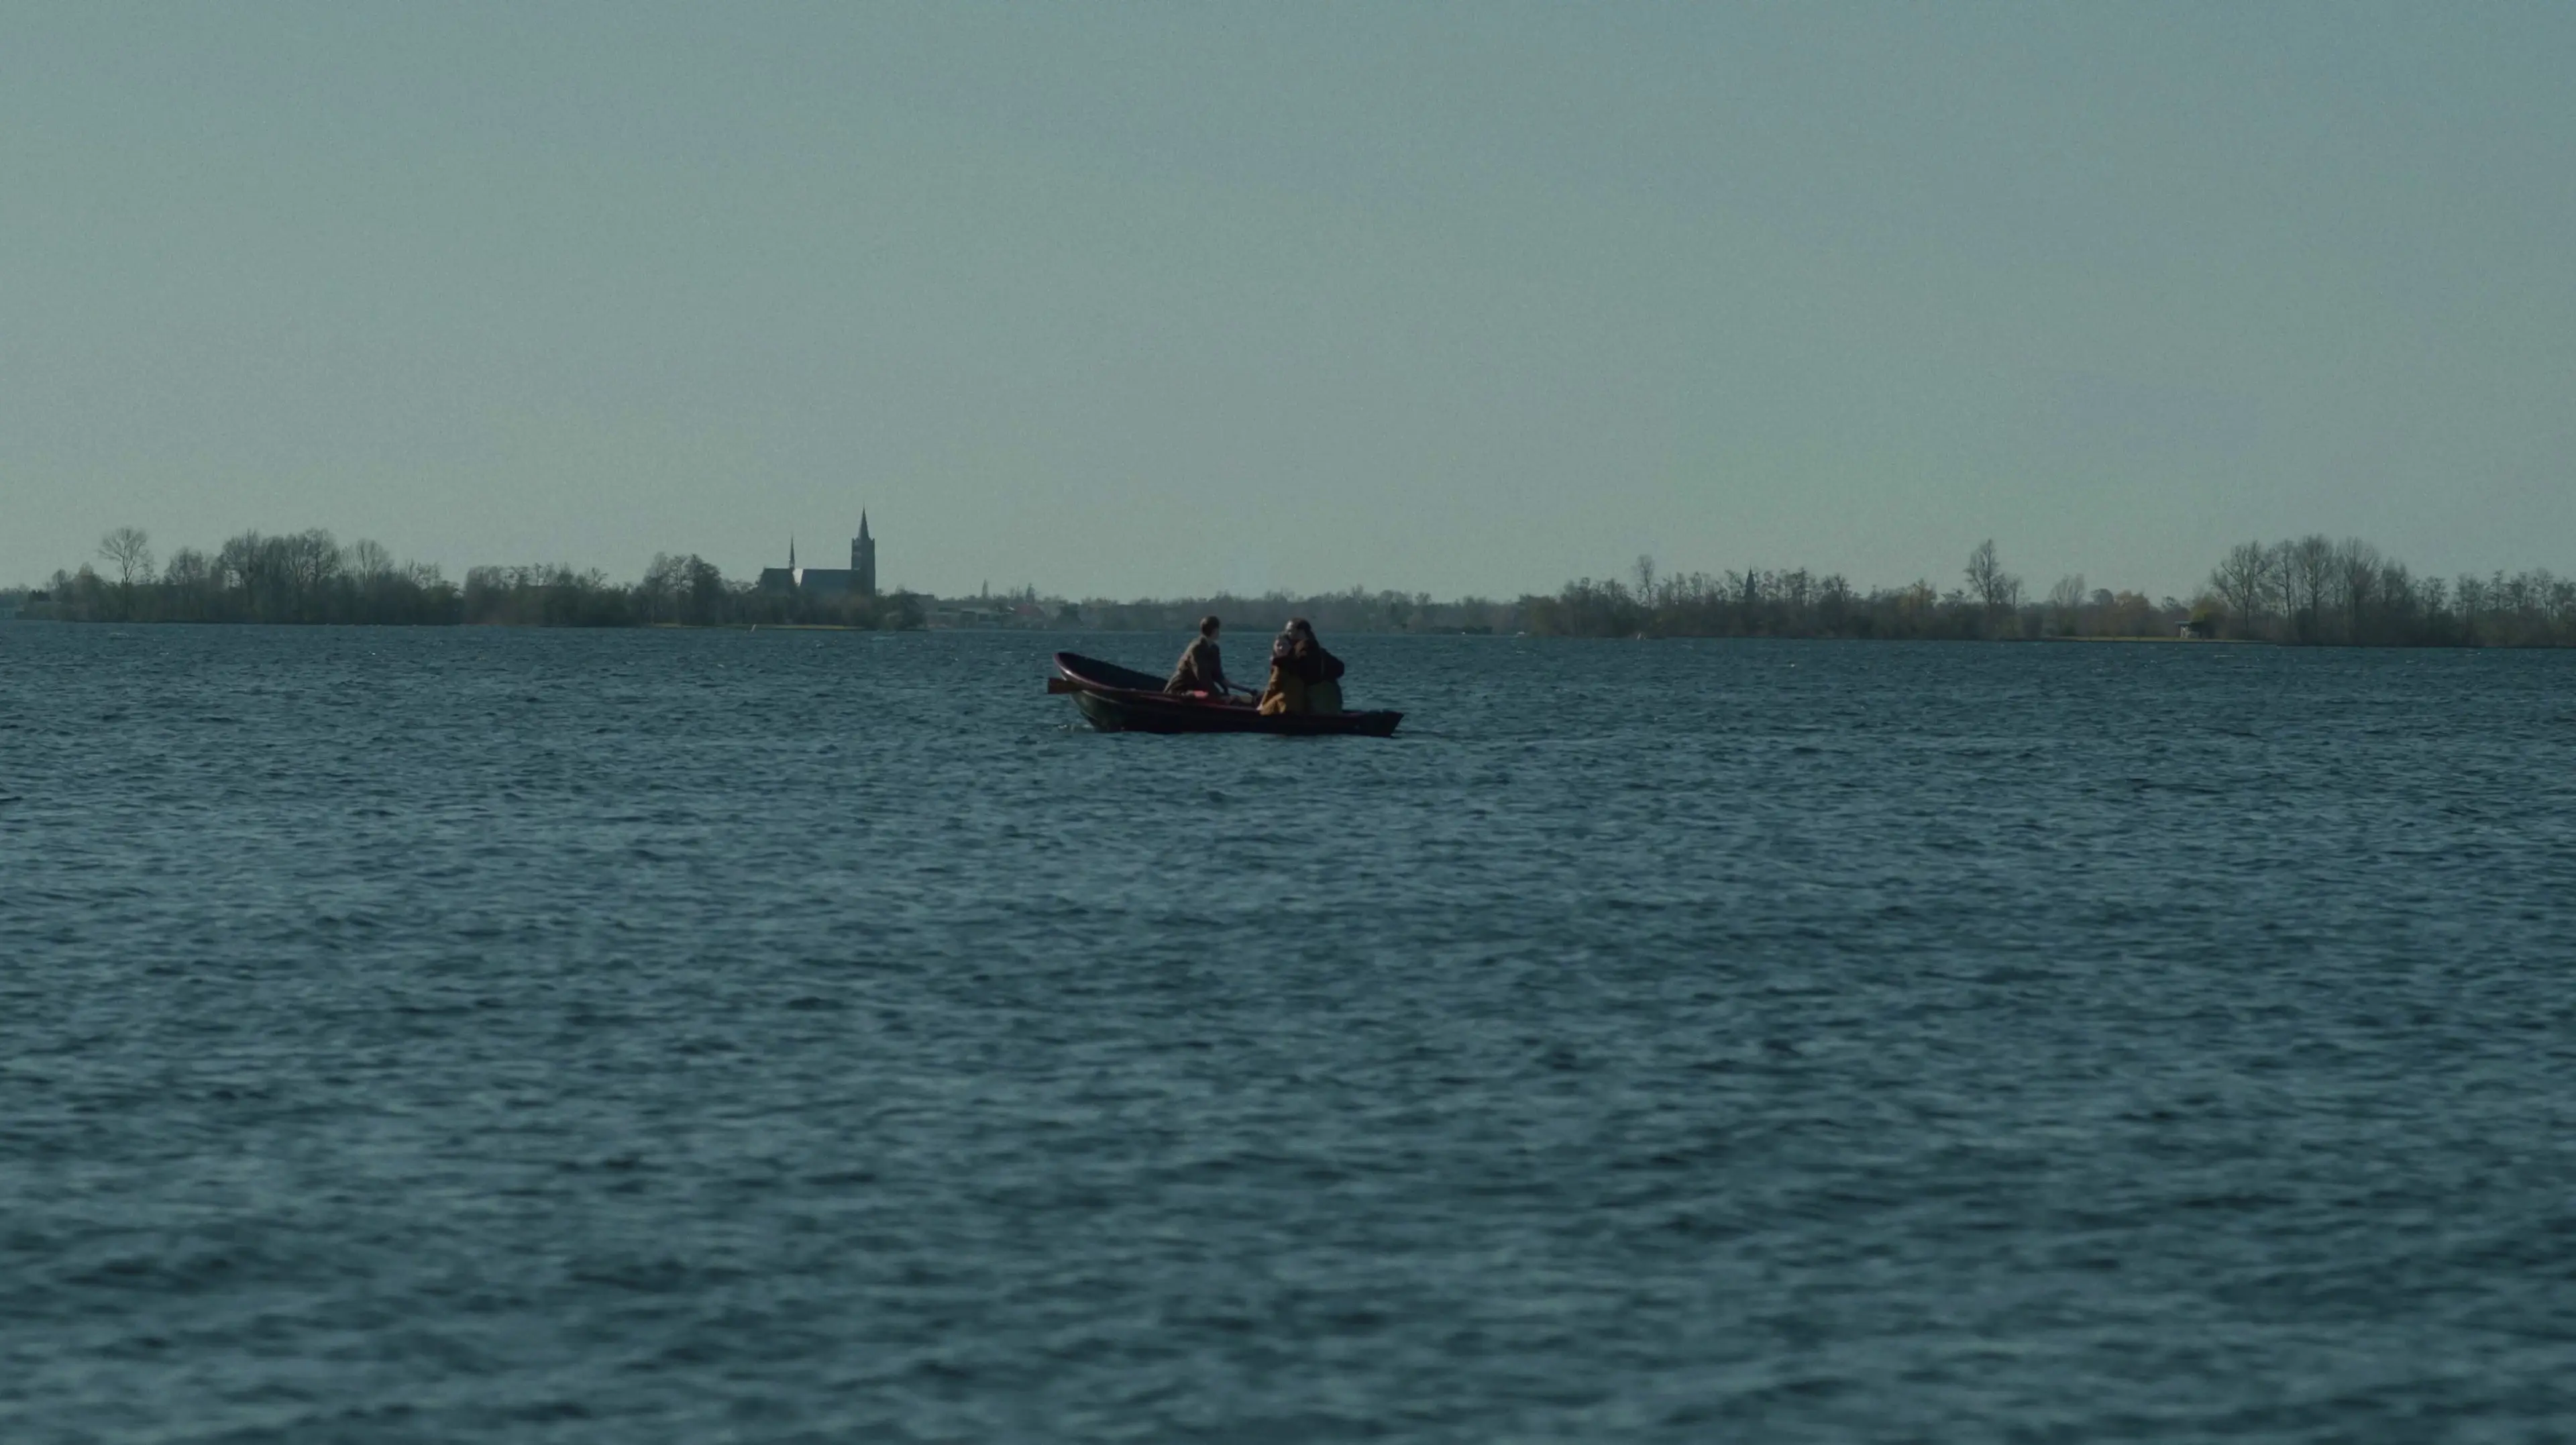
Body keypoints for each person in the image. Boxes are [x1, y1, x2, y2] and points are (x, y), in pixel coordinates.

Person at [1257, 617, 1346, 716]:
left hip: (1317, 701)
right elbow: (1340, 668)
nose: (1287, 634)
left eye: (1290, 631)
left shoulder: (1305, 645)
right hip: (1331, 699)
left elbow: (1302, 665)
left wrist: (1278, 661)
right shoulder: (1316, 648)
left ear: (1301, 632)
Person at [1165, 615, 1238, 697]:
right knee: (1205, 695)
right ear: (1215, 630)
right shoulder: (1197, 648)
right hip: (1180, 691)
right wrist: (1218, 696)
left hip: (1196, 688)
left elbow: (1217, 673)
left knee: (1210, 695)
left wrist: (1224, 683)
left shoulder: (1214, 649)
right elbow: (1202, 676)